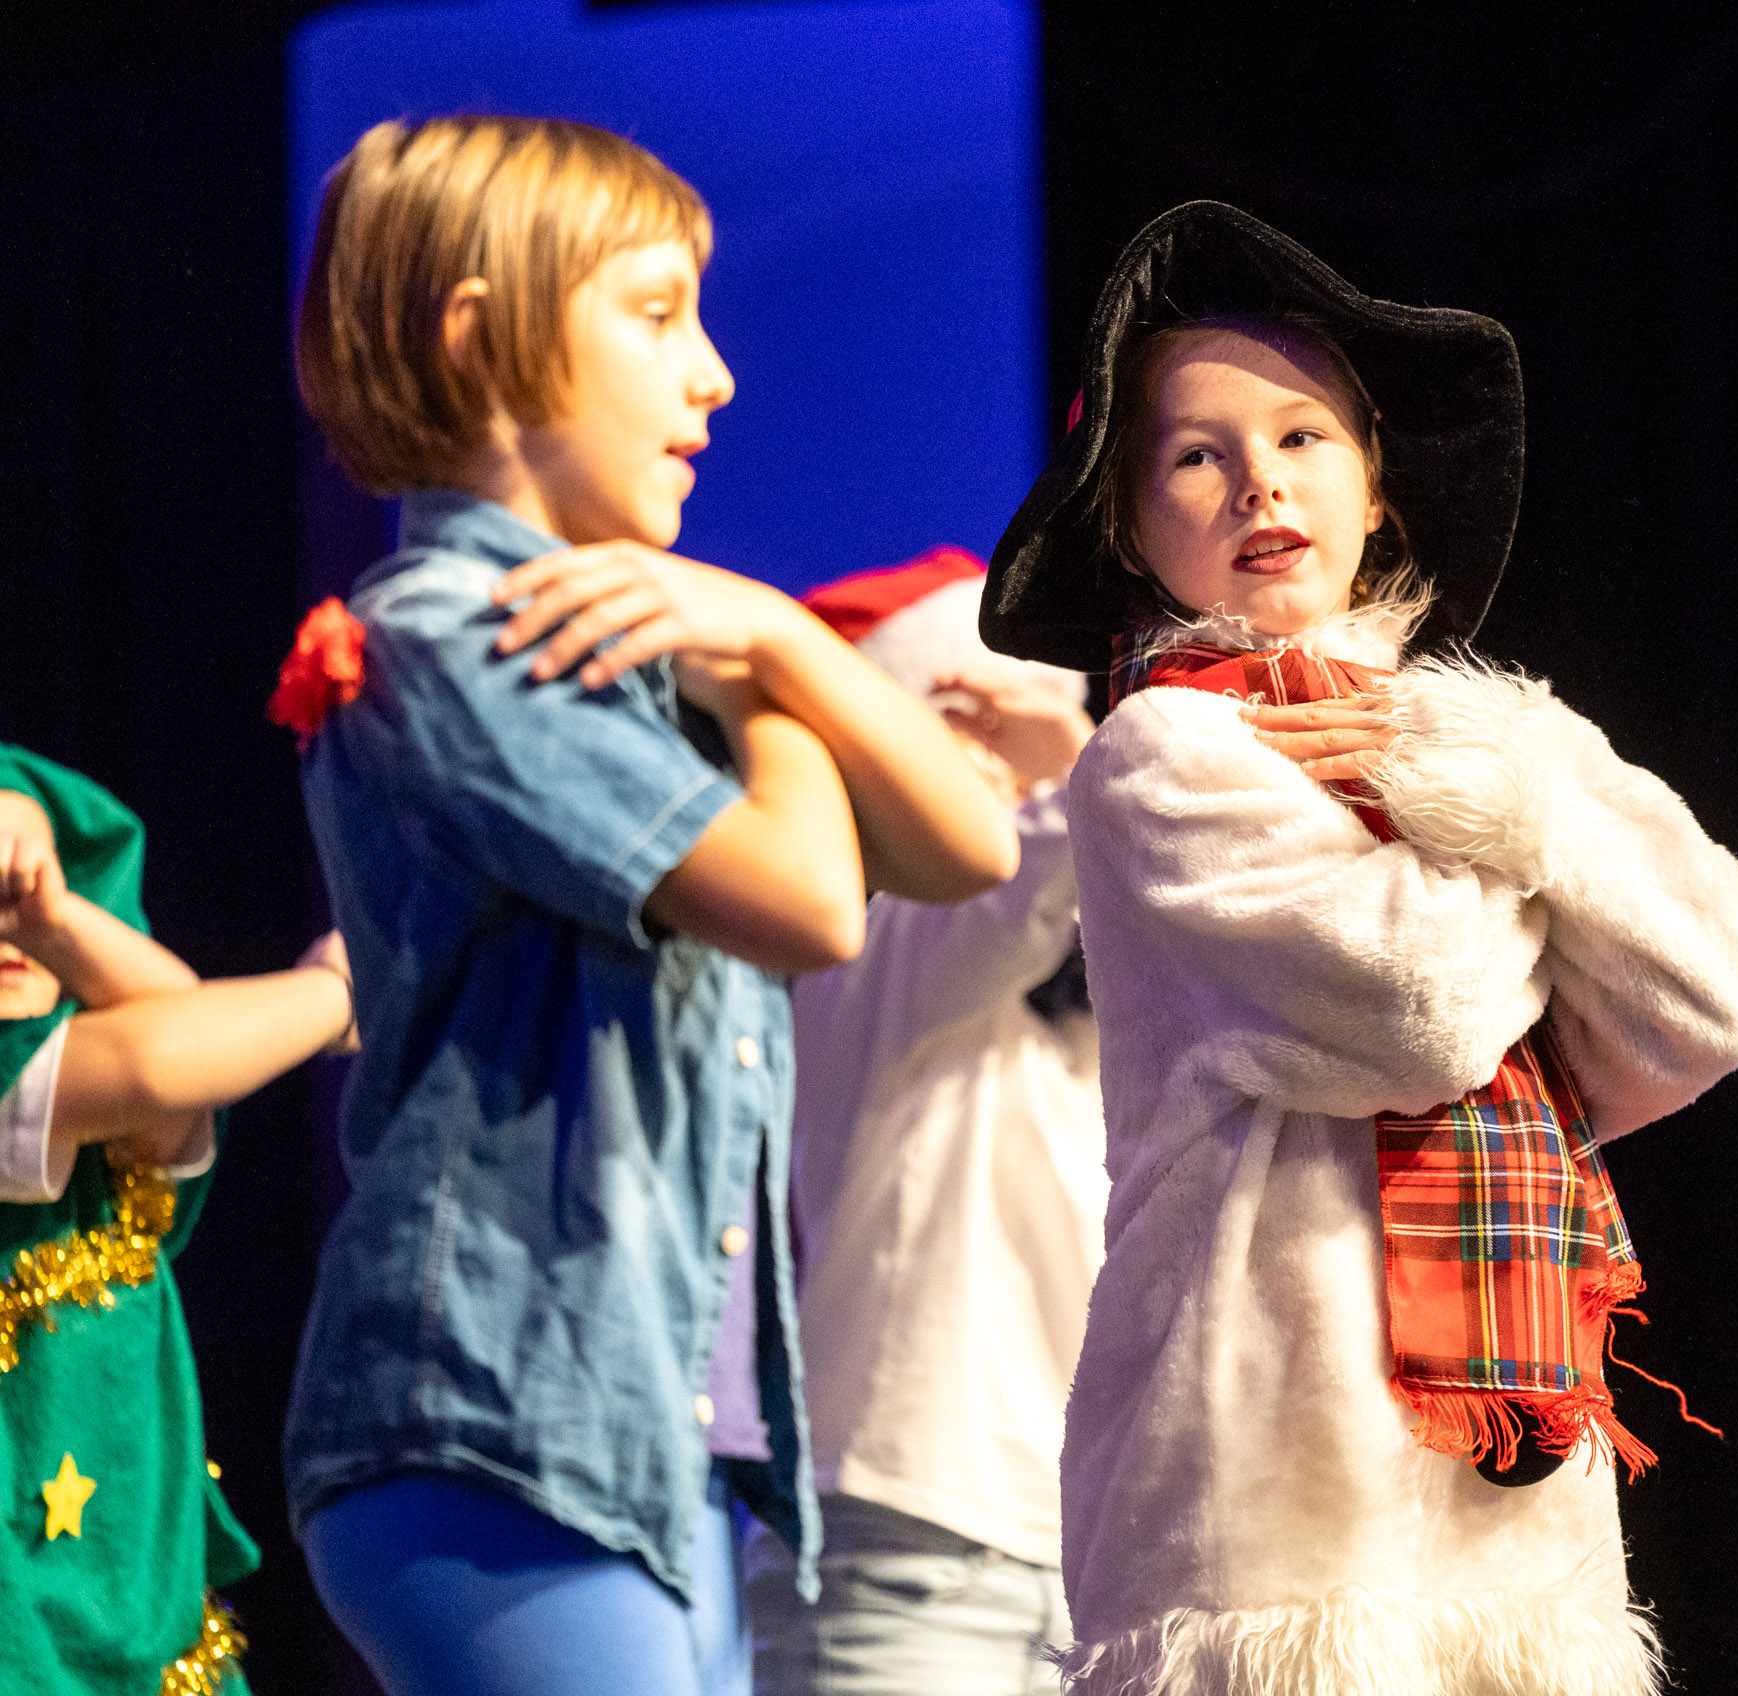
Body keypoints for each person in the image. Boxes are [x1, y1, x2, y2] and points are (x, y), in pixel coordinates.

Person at [979, 202, 1738, 1696]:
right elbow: (1424, 1013)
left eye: (1303, 437)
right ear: (1132, 524)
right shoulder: (1161, 755)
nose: (1259, 482)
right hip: (1273, 1467)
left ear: (1377, 485)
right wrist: (1529, 859)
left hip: (1511, 1495)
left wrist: (1512, 796)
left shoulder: (1493, 736)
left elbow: (1711, 995)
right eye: (1196, 455)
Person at [280, 115, 1017, 1696]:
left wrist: (775, 637)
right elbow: (815, 903)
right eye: (657, 313)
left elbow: (972, 849)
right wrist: (754, 674)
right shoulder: (456, 636)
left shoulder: (639, 647)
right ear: (479, 339)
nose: (714, 376)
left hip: (636, 1437)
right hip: (498, 1428)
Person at [743, 547, 1102, 1694]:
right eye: (975, 735)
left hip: (1083, 1559)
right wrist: (1083, 776)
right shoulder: (871, 933)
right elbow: (1014, 879)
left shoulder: (1089, 1020)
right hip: (901, 1540)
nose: (1007, 773)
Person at [0, 744, 356, 1694]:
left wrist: (54, 919)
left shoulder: (106, 1130)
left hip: (142, 1619)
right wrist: (335, 992)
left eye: (26, 884)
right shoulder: (19, 1086)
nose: (9, 920)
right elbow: (160, 1062)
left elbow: (184, 1033)